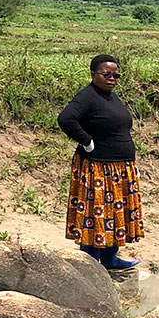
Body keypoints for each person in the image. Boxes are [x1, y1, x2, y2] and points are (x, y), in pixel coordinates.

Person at [57, 55, 143, 270]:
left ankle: (109, 259)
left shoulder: (110, 97)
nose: (112, 78)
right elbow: (66, 119)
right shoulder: (87, 96)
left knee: (114, 214)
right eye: (106, 74)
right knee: (96, 214)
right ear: (93, 74)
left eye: (116, 75)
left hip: (119, 168)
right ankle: (88, 264)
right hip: (98, 167)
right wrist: (87, 142)